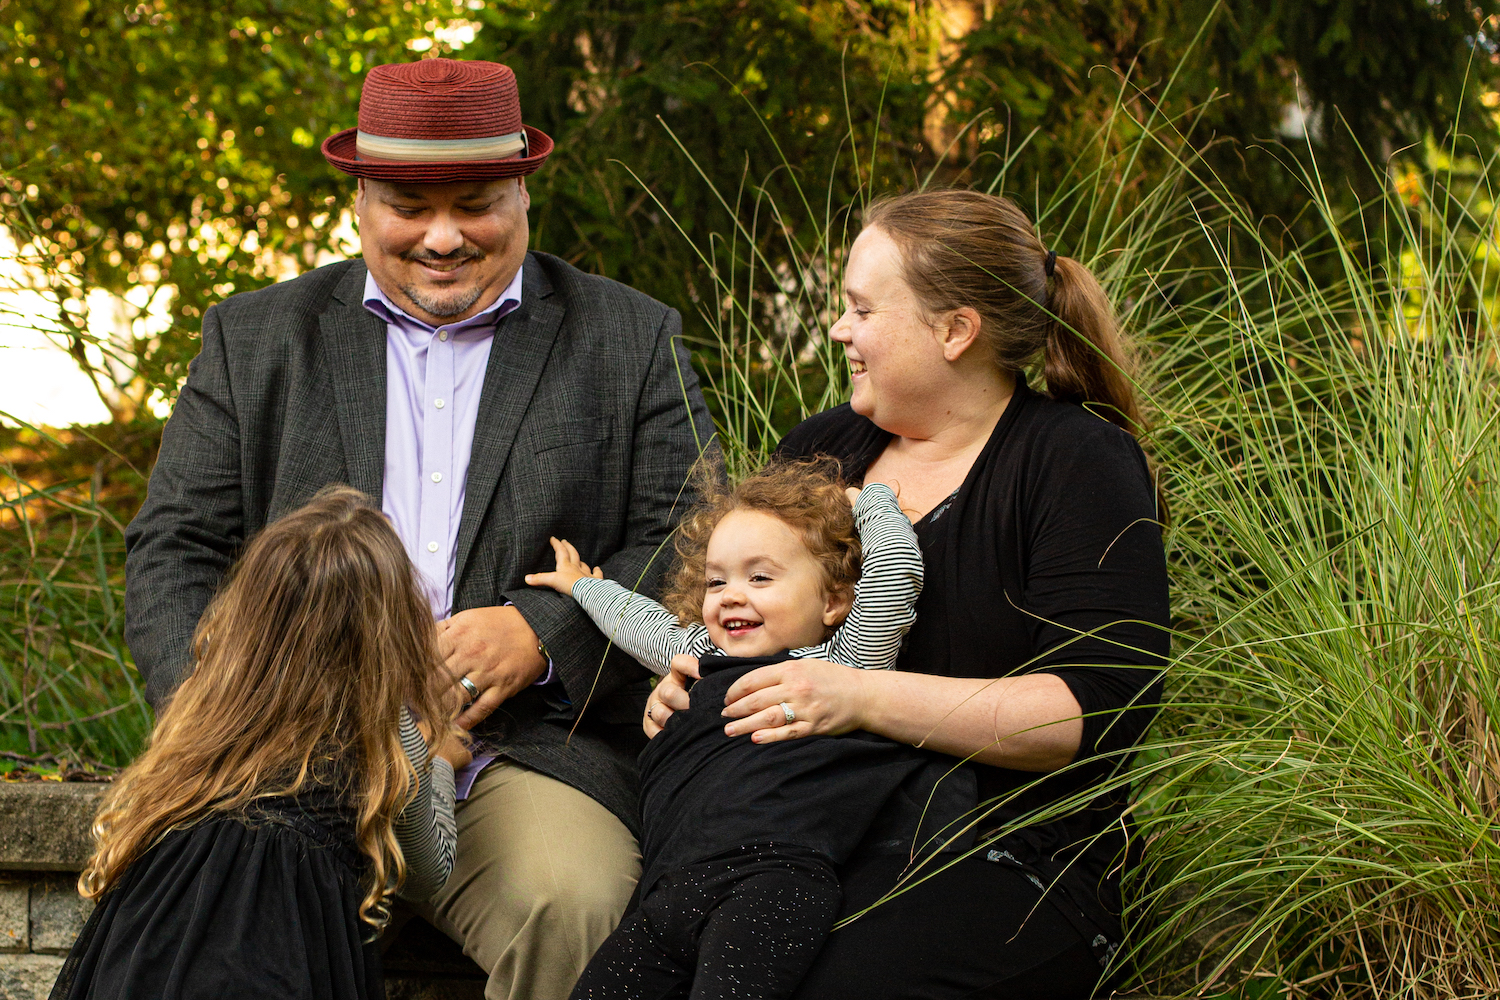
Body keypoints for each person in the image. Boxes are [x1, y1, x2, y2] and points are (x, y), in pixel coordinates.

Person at [123, 58, 714, 1000]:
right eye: (408, 205)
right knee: (214, 916)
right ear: (361, 199)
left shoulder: (627, 338)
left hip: (515, 755)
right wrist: (224, 724)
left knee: (574, 905)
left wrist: (543, 633)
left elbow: (691, 538)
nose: (443, 237)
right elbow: (173, 553)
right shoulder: (255, 338)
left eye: (476, 203)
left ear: (523, 189)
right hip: (289, 749)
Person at [644, 189, 1172, 999]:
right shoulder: (824, 450)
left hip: (1008, 856)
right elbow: (744, 608)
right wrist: (694, 677)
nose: (838, 330)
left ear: (955, 330)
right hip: (799, 834)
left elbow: (1088, 711)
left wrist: (859, 696)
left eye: (862, 309)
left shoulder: (1077, 462)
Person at [525, 462, 974, 1000]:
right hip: (668, 889)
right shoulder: (702, 656)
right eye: (717, 581)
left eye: (760, 578)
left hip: (768, 883)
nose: (730, 595)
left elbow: (895, 572)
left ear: (833, 602)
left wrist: (870, 502)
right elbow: (643, 625)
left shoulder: (844, 661)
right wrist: (583, 588)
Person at [52, 487, 464, 1000]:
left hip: (153, 956)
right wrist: (440, 760)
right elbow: (428, 871)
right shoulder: (387, 729)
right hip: (279, 963)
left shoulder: (211, 708)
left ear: (249, 612)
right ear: (391, 631)